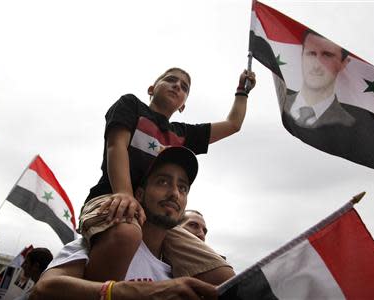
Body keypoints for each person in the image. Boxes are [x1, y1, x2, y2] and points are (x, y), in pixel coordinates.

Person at [79, 67, 256, 283]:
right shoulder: (131, 105)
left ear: (183, 106)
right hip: (112, 197)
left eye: (184, 87)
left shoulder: (182, 134)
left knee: (222, 275)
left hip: (157, 216)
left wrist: (242, 91)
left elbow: (233, 124)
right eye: (171, 80)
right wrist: (125, 193)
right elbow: (116, 146)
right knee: (127, 233)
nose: (177, 86)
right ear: (152, 89)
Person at [31, 147, 219, 300]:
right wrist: (134, 292)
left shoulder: (181, 276)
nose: (174, 194)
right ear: (139, 195)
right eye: (163, 182)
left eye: (182, 188)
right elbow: (43, 290)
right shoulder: (104, 241)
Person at [283, 30, 355, 128]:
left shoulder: (349, 124)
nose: (316, 66)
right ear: (301, 55)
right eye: (311, 54)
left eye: (327, 55)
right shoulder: (279, 105)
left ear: (344, 63)